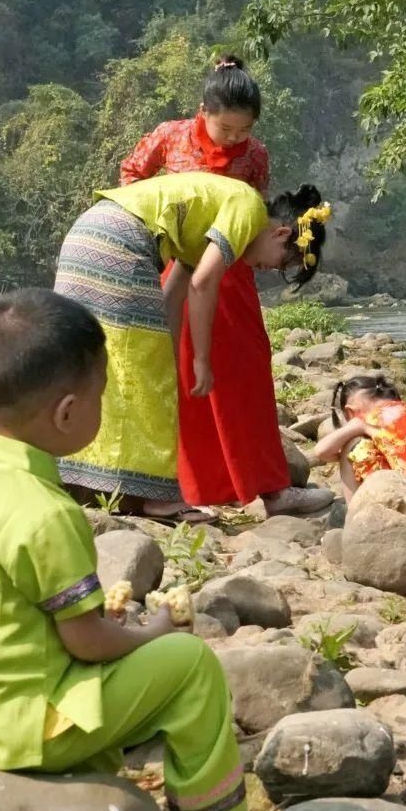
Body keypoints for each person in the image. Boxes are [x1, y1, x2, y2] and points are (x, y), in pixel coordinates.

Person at [0, 288, 297, 811]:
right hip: (34, 729)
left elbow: (12, 618)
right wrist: (154, 633)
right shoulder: (47, 513)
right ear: (67, 413)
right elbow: (89, 643)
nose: (103, 407)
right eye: (100, 396)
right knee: (190, 667)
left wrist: (107, 621)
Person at [120, 55, 333, 520]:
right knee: (177, 374)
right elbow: (132, 177)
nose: (235, 139)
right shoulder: (169, 135)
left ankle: (271, 487)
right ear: (203, 112)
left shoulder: (255, 155)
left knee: (246, 372)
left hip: (231, 269)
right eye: (226, 129)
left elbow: (255, 210)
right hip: (178, 266)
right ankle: (183, 487)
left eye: (244, 131)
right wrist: (160, 235)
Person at [54, 171, 330, 518]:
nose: (267, 269)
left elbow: (174, 296)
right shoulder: (247, 207)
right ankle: (158, 499)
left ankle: (74, 480)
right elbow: (202, 284)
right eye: (281, 262)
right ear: (281, 233)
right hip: (121, 243)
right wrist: (201, 359)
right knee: (139, 383)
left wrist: (166, 361)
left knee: (90, 363)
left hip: (86, 235)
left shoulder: (206, 226)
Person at [313, 373, 406, 527]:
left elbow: (322, 451)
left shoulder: (369, 419)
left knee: (352, 445)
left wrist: (358, 427)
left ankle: (354, 522)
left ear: (350, 411)